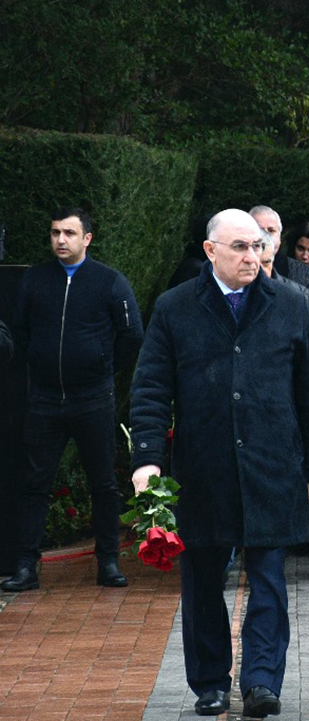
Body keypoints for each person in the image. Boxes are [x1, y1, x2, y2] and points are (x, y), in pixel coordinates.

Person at [128, 209, 309, 718]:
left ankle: (262, 681)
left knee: (267, 579)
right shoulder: (176, 307)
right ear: (210, 250)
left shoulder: (289, 302)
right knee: (201, 583)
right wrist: (148, 460)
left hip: (273, 464)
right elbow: (151, 388)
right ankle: (211, 683)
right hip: (203, 469)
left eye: (259, 246)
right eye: (240, 246)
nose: (252, 256)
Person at [3, 207, 144, 593]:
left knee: (103, 483)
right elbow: (21, 329)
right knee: (35, 483)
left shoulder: (109, 282)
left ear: (87, 238)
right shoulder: (35, 280)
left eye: (68, 233)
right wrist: (40, 364)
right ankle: (26, 567)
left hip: (92, 398)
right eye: (54, 233)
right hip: (45, 400)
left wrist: (101, 368)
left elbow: (132, 335)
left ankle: (109, 562)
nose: (60, 240)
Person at [251, 205, 309, 317]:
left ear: (280, 237)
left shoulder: (302, 273)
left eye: (271, 230)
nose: (265, 236)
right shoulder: (234, 269)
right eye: (260, 230)